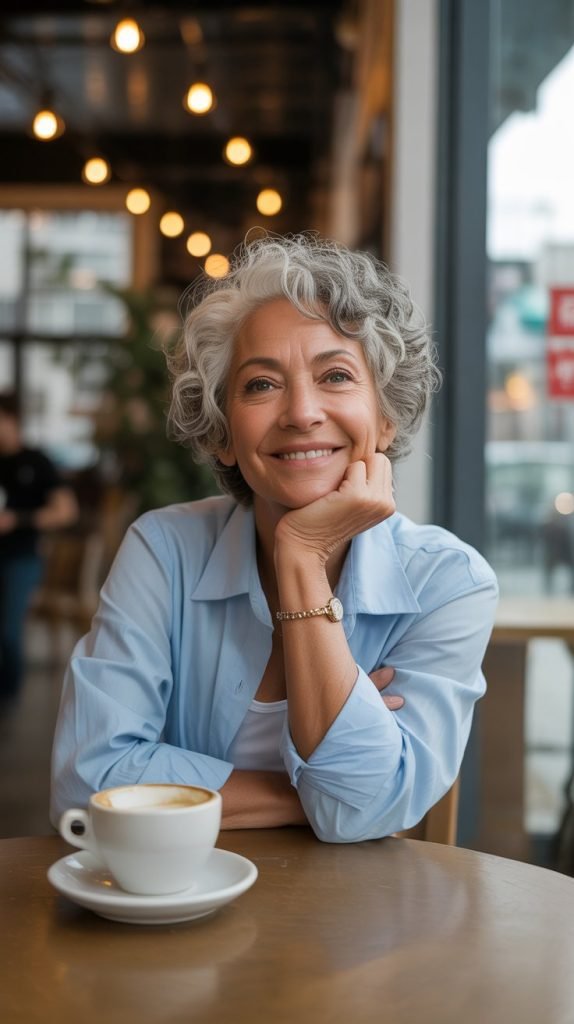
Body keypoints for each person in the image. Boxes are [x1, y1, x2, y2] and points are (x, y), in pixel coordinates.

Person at [50, 235, 498, 842]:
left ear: (386, 417)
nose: (302, 412)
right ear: (222, 434)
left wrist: (302, 559)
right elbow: (87, 785)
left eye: (336, 375)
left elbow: (365, 808)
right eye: (261, 385)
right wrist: (313, 792)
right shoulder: (164, 550)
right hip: (172, 895)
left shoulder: (447, 582)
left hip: (354, 902)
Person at [0, 392, 78, 702]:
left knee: (9, 632)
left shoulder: (36, 461)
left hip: (21, 557)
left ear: (12, 419)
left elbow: (66, 511)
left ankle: (9, 698)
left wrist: (18, 520)